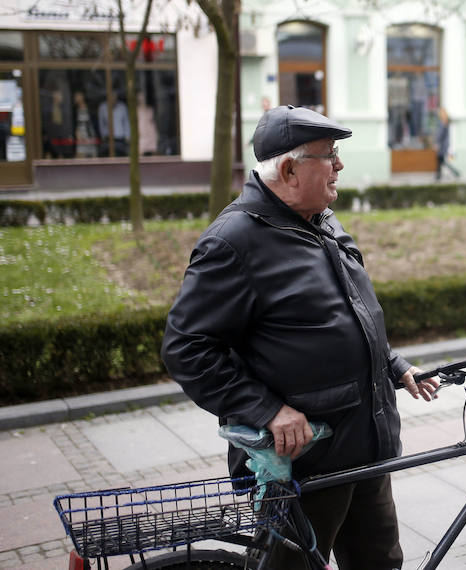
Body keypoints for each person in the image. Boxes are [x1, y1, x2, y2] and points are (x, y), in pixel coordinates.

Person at [162, 104, 439, 569]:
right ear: (289, 169)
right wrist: (266, 409)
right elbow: (186, 348)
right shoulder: (234, 241)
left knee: (381, 564)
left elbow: (346, 318)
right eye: (329, 154)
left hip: (366, 446)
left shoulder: (322, 223)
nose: (339, 164)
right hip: (306, 463)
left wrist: (394, 365)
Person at [434, 107, 460, 181]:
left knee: (440, 160)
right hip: (445, 144)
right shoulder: (446, 122)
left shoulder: (443, 122)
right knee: (441, 160)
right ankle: (439, 175)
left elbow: (440, 134)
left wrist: (437, 142)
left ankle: (439, 175)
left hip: (443, 145)